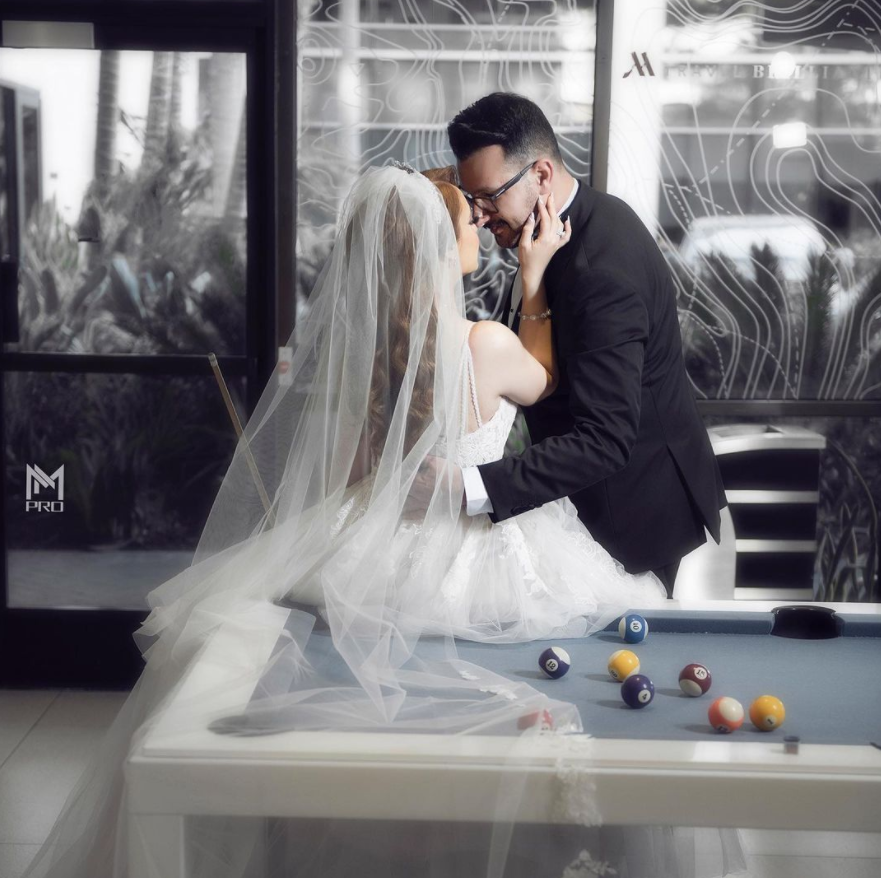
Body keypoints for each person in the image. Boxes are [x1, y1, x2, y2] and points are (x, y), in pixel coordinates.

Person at [22, 164, 742, 878]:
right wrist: (534, 281)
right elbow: (546, 380)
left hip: (378, 548)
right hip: (488, 552)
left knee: (376, 718)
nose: (479, 226)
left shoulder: (361, 358)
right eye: (466, 220)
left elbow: (350, 474)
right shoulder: (486, 345)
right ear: (436, 247)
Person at [447, 93, 728, 598]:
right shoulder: (545, 240)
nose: (481, 216)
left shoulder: (601, 269)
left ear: (541, 175)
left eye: (490, 197)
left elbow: (605, 439)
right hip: (576, 508)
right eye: (473, 201)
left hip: (628, 516)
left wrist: (472, 487)